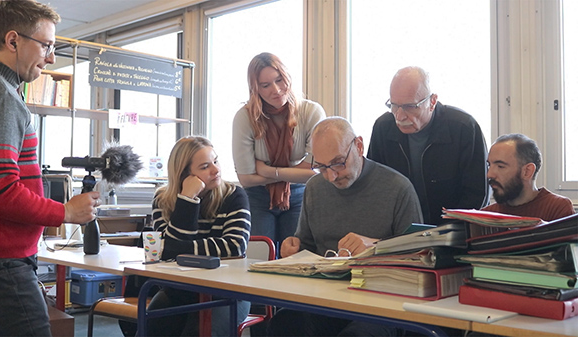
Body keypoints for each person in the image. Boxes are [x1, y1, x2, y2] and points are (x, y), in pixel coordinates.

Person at [0, 1, 100, 336]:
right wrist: (65, 212)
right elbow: (0, 193)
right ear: (13, 40)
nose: (50, 57)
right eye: (46, 45)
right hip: (0, 265)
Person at [269, 117, 423, 337]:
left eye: (338, 163)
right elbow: (307, 248)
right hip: (327, 299)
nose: (331, 176)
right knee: (285, 323)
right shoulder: (315, 188)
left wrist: (376, 246)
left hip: (381, 304)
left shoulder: (398, 188)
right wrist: (293, 249)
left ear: (359, 146)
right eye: (321, 167)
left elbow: (420, 258)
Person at [147, 136, 251, 336]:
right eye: (205, 166)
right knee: (152, 325)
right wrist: (187, 200)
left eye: (216, 161)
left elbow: (235, 246)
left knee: (198, 331)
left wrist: (177, 249)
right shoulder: (163, 199)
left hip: (228, 291)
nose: (216, 170)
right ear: (185, 175)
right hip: (180, 290)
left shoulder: (234, 195)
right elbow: (163, 249)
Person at [367, 66, 489, 225]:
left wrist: (447, 235)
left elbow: (477, 195)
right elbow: (376, 186)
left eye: (410, 107)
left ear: (432, 102)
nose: (399, 116)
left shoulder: (463, 128)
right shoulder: (383, 128)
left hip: (455, 234)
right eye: (394, 105)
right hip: (399, 233)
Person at [232, 52, 326, 245]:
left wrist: (268, 171)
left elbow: (314, 172)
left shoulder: (311, 112)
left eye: (279, 80)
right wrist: (293, 172)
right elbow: (246, 179)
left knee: (295, 256)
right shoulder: (245, 118)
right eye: (265, 86)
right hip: (257, 196)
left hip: (299, 193)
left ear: (287, 77)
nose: (276, 90)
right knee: (259, 258)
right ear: (255, 89)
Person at [483, 133, 575, 220]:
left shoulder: (557, 208)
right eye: (489, 165)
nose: (489, 175)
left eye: (500, 166)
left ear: (527, 171)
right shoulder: (486, 216)